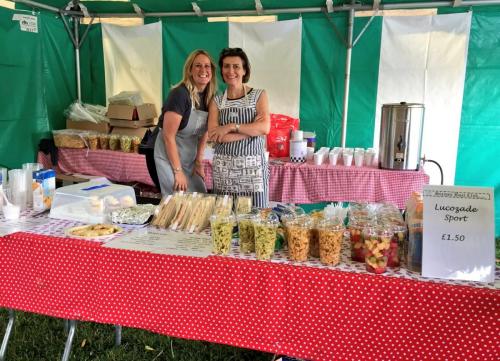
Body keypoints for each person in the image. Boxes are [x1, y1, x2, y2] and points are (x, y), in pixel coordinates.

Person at [208, 48, 270, 208]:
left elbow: (264, 128)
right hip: (224, 172)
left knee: (256, 222)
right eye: (226, 66)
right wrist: (251, 131)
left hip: (253, 172)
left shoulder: (259, 95)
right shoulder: (216, 101)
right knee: (225, 222)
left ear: (244, 70)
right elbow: (214, 136)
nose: (231, 71)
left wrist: (230, 127)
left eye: (236, 66)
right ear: (221, 70)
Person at [154, 49, 217, 195]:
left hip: (189, 159)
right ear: (189, 70)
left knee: (200, 196)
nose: (203, 70)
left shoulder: (210, 97)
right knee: (177, 200)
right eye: (198, 66)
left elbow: (204, 134)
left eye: (207, 66)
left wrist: (198, 163)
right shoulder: (179, 95)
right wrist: (177, 171)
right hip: (168, 157)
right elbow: (168, 136)